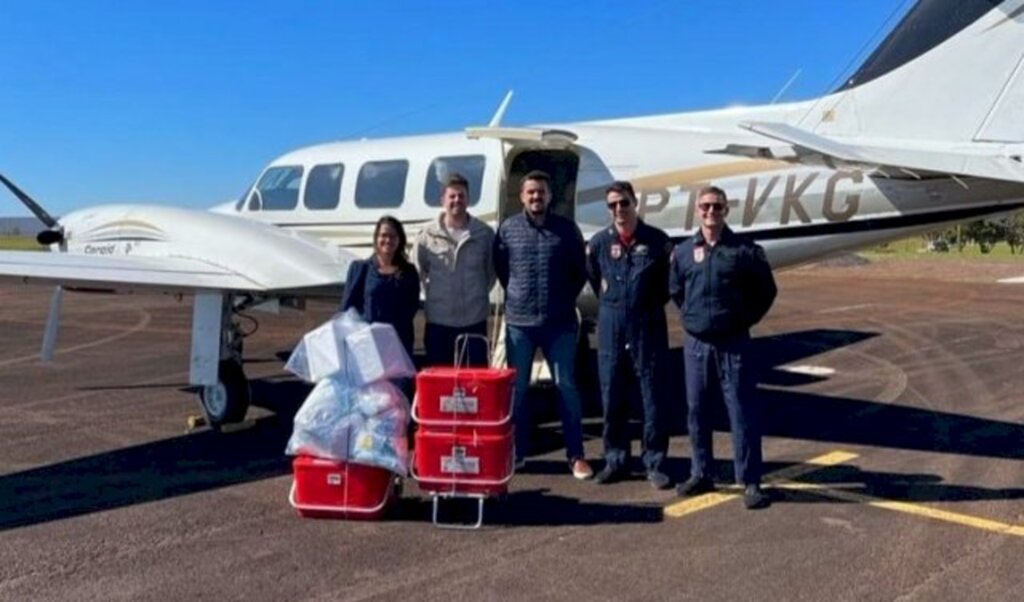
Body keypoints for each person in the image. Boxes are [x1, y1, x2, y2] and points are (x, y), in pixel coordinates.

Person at [669, 185, 777, 509]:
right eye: (705, 207)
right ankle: (701, 472)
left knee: (741, 411)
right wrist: (692, 319)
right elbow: (676, 290)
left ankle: (750, 480)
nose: (710, 212)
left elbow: (766, 291)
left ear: (726, 210)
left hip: (734, 343)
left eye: (717, 206)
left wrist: (743, 320)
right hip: (697, 344)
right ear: (697, 211)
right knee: (697, 411)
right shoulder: (685, 252)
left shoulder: (744, 251)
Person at [493, 170, 593, 480]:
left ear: (549, 196)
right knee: (518, 391)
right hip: (519, 325)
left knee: (567, 388)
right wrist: (521, 299)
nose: (536, 197)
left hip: (559, 323)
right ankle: (519, 452)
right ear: (522, 196)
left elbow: (580, 272)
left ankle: (576, 455)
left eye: (541, 192)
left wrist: (560, 299)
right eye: (531, 192)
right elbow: (502, 270)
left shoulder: (566, 230)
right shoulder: (507, 230)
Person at [586, 181, 672, 489]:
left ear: (635, 203)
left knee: (652, 397)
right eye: (612, 205)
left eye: (623, 203)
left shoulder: (658, 242)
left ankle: (655, 462)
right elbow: (596, 279)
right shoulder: (598, 243)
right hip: (611, 323)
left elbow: (667, 286)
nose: (619, 210)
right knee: (612, 396)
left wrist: (641, 304)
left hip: (647, 323)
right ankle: (616, 459)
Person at [413, 173, 496, 367]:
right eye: (452, 196)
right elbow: (418, 270)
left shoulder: (484, 234)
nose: (457, 200)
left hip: (474, 322)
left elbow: (491, 273)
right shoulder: (426, 236)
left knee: (473, 381)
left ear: (468, 199)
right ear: (443, 200)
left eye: (461, 196)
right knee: (441, 382)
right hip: (438, 324)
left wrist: (476, 296)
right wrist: (435, 297)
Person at [341, 215, 421, 364]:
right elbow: (347, 311)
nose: (388, 240)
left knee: (398, 388)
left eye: (393, 236)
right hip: (367, 349)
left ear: (399, 240)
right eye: (383, 235)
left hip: (398, 348)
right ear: (376, 238)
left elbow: (412, 307)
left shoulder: (409, 272)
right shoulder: (360, 269)